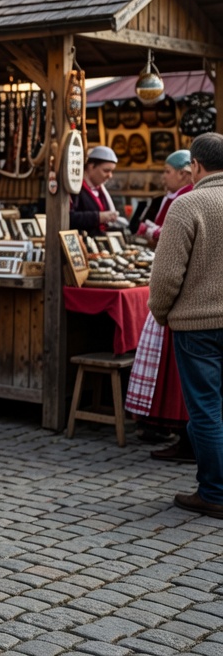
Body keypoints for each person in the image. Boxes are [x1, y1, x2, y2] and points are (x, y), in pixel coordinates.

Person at [147, 132, 223, 519]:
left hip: (197, 324)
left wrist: (161, 314)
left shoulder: (188, 203)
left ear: (194, 165)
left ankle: (214, 492)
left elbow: (165, 276)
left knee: (206, 408)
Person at [128, 149, 195, 460]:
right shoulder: (182, 197)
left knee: (193, 384)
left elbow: (171, 254)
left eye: (169, 171)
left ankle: (191, 445)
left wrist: (160, 306)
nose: (163, 176)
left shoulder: (186, 199)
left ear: (189, 170)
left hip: (187, 303)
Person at [138, 149, 194, 243]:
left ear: (182, 174)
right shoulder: (172, 195)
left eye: (167, 171)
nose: (163, 176)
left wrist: (153, 232)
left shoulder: (188, 198)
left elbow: (178, 235)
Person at [69, 145, 121, 235]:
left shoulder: (101, 191)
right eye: (106, 171)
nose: (110, 176)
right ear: (91, 166)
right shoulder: (76, 189)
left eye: (111, 171)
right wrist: (98, 217)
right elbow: (70, 218)